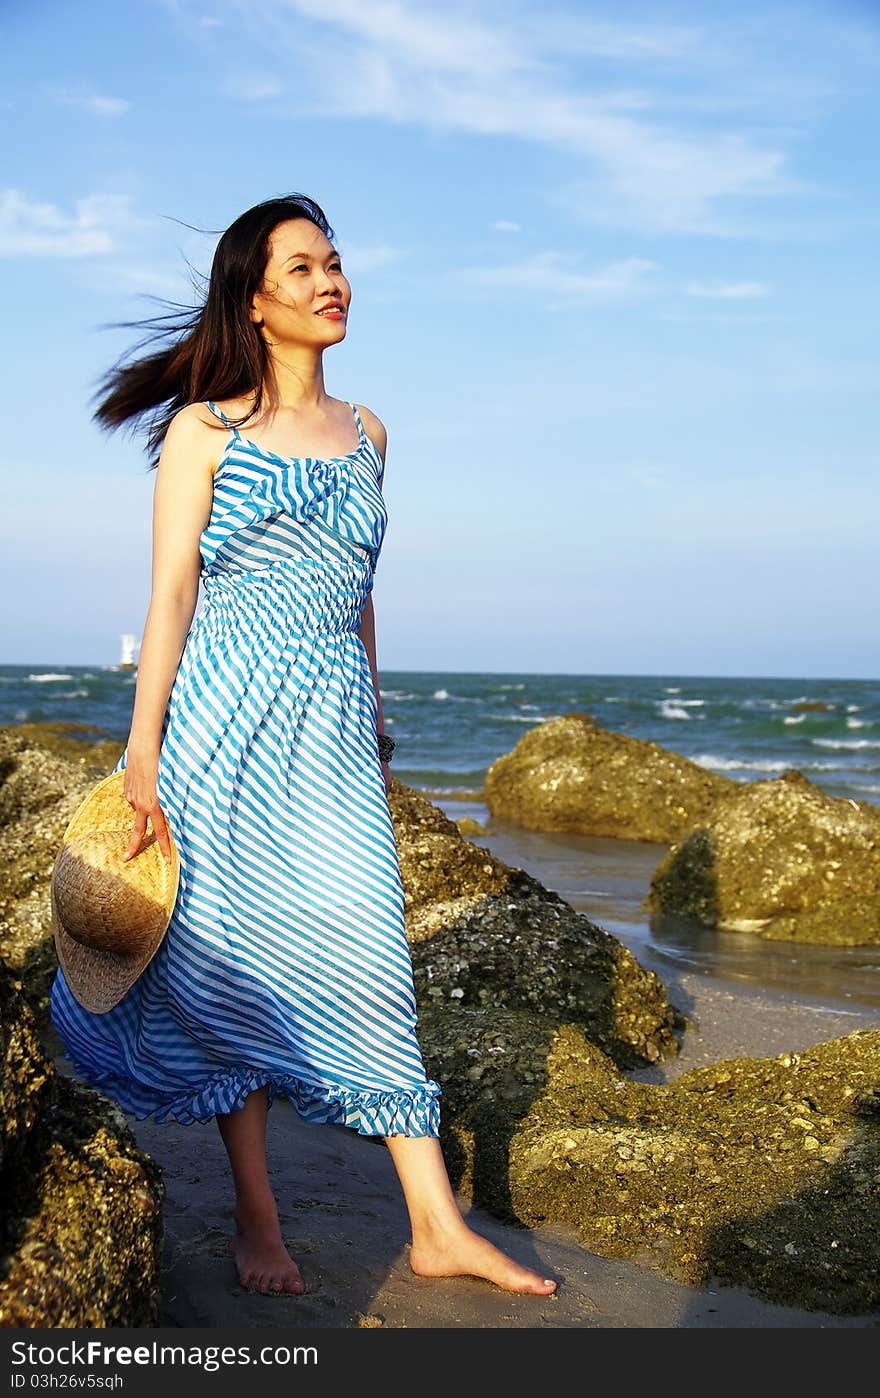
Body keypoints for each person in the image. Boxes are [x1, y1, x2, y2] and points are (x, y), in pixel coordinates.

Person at [50, 193, 557, 1300]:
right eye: (303, 268)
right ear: (255, 300)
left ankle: (433, 1225)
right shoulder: (205, 431)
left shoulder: (371, 433)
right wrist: (142, 756)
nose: (332, 281)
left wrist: (372, 708)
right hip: (225, 722)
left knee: (368, 944)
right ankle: (259, 1215)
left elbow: (362, 591)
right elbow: (172, 591)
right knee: (237, 967)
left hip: (327, 726)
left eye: (335, 262)